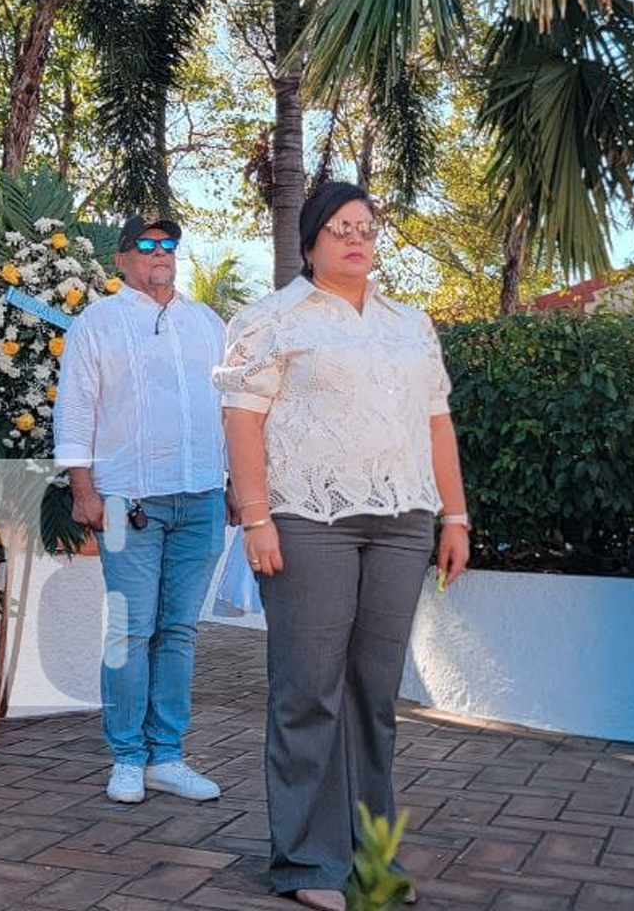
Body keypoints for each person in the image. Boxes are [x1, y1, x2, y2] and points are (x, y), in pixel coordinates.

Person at [215, 181, 469, 911]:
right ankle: (307, 863)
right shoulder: (270, 319)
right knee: (308, 692)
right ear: (310, 241)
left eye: (366, 227)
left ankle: (373, 860)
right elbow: (242, 418)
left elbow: (437, 423)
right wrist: (256, 518)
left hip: (402, 520)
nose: (356, 239)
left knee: (375, 695)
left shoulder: (409, 324)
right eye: (340, 228)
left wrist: (455, 518)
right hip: (306, 519)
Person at [54, 214, 229, 805]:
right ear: (122, 260)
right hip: (126, 502)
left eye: (170, 244)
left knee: (179, 632)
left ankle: (167, 756)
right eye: (149, 244)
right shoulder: (96, 324)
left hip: (202, 498)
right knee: (131, 630)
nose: (162, 253)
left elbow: (230, 407)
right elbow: (75, 411)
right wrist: (84, 492)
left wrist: (233, 483)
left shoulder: (208, 324)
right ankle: (127, 757)